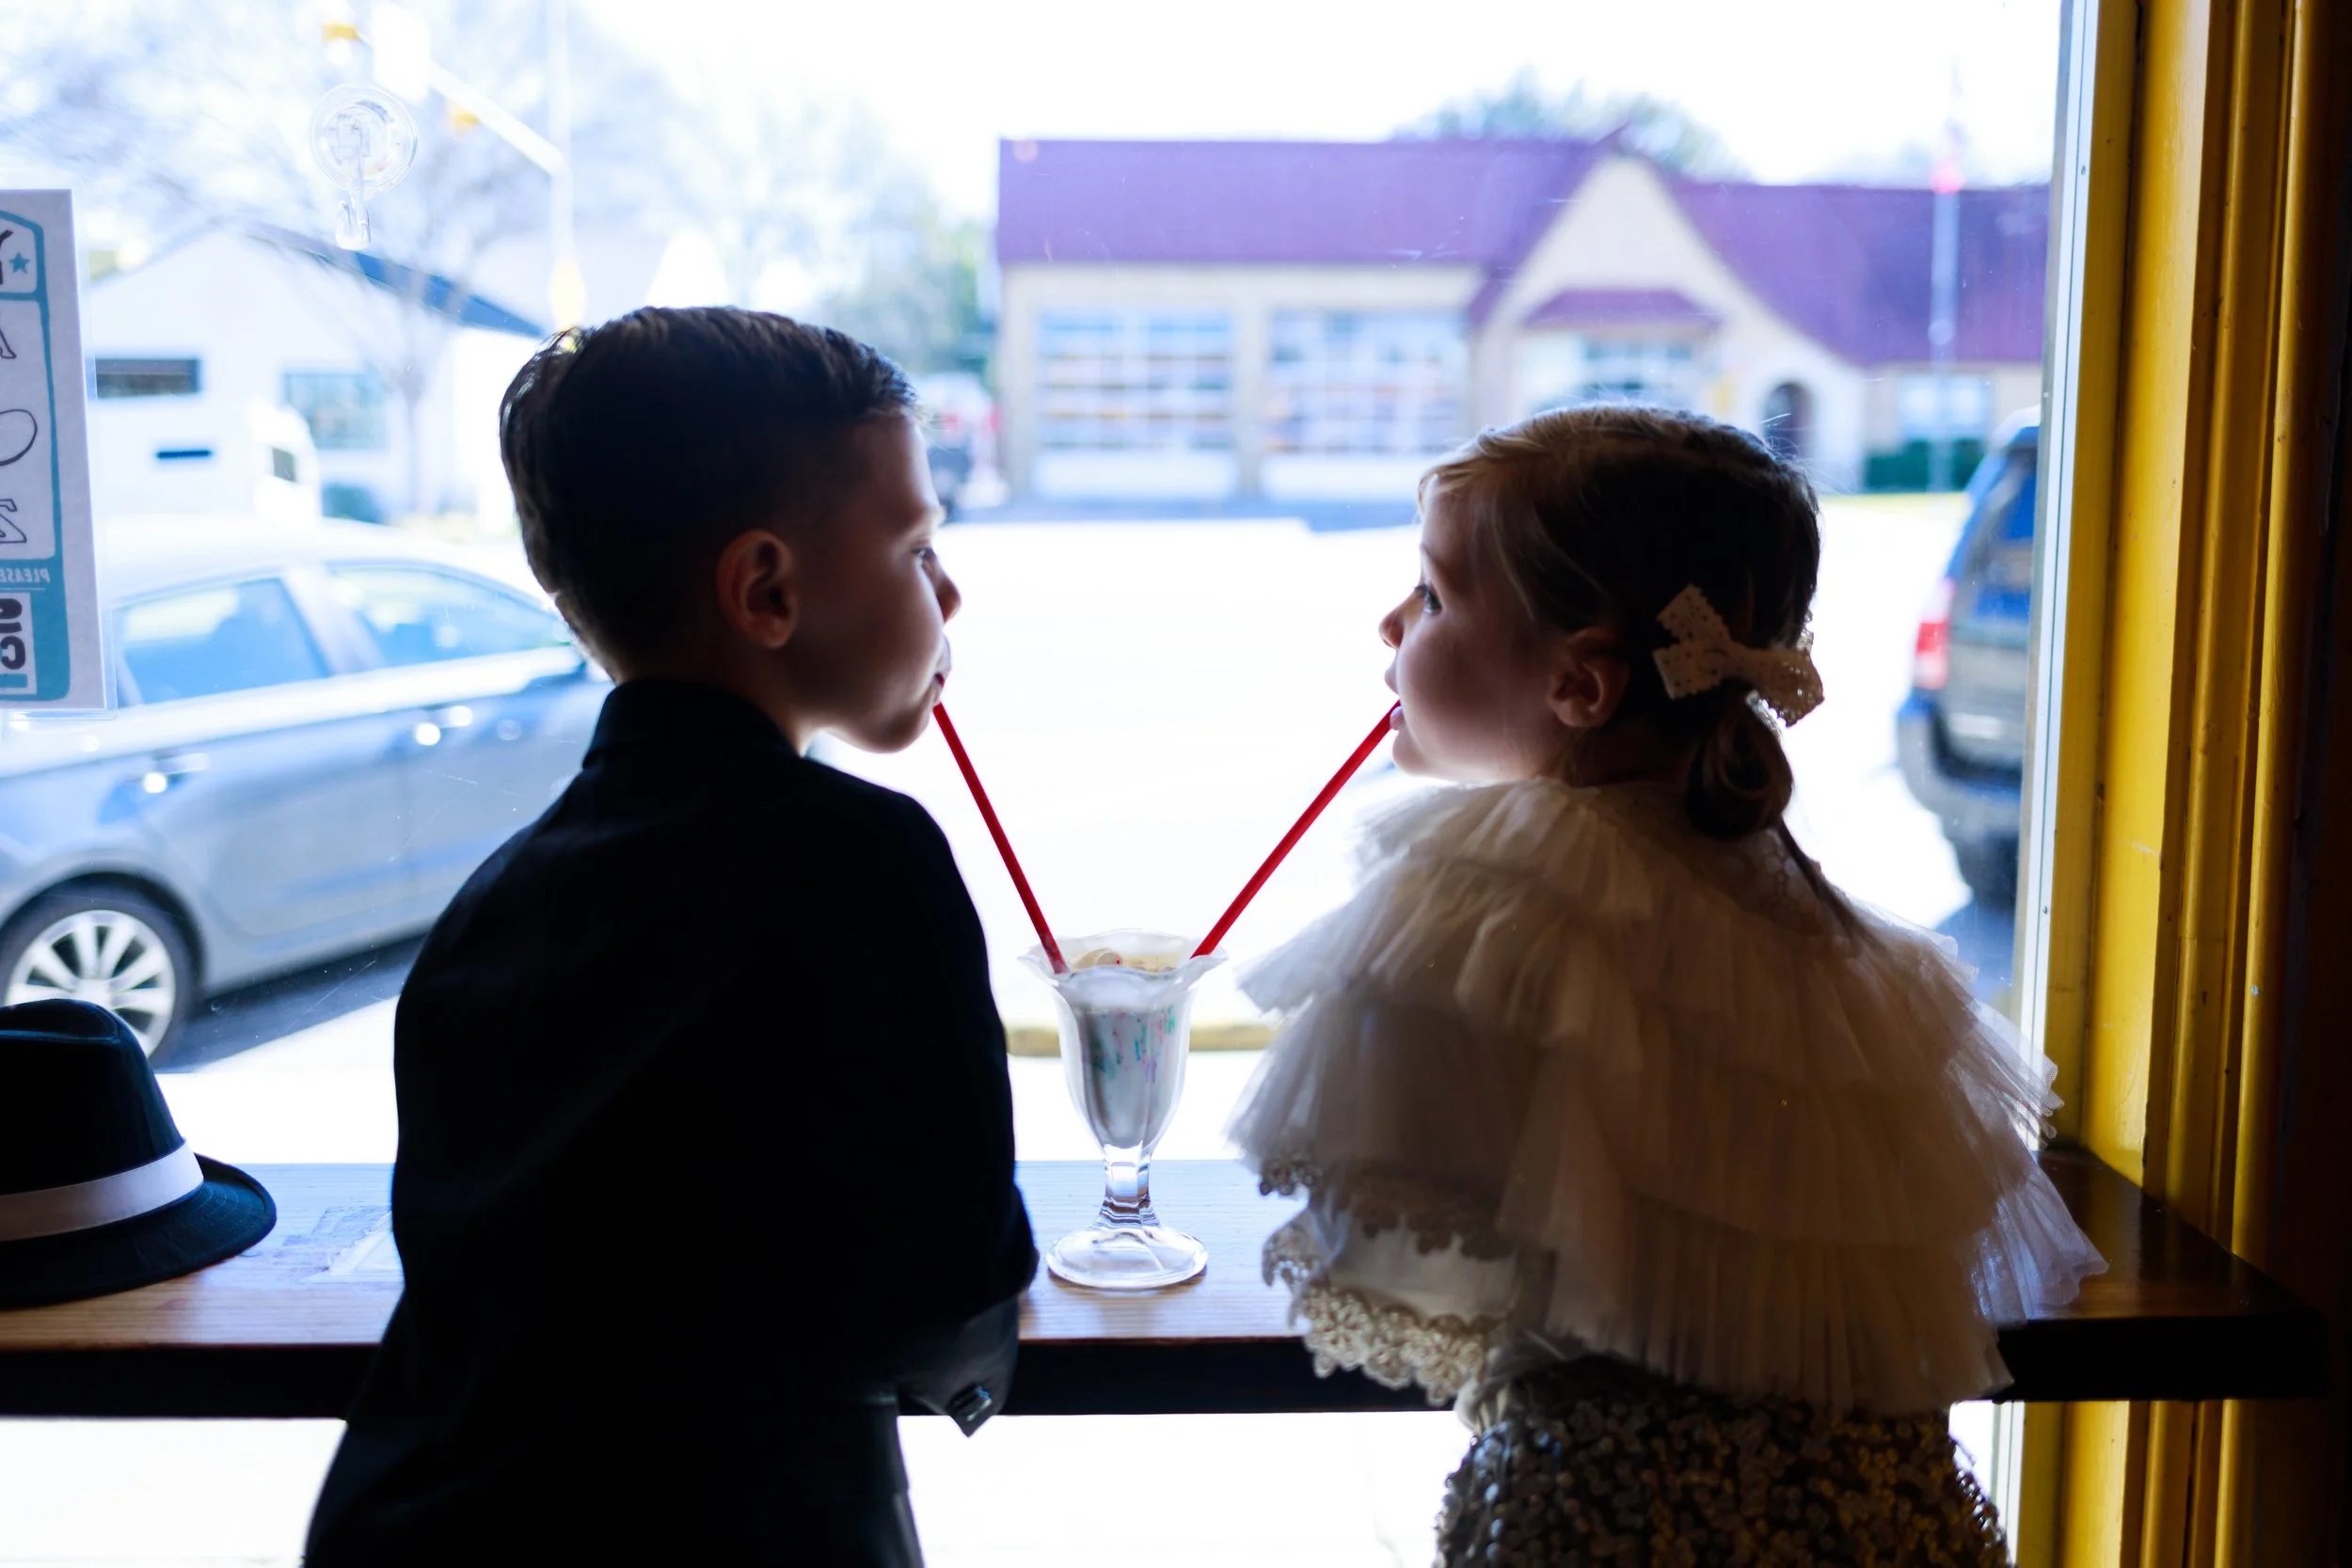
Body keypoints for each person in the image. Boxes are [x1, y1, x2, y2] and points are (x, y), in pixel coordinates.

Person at [1227, 405, 2103, 1565]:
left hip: (1604, 1528)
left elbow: (1409, 1261)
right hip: (1881, 1526)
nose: (1392, 622)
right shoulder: (1840, 945)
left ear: (1581, 684)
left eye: (1433, 595)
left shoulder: (1489, 906)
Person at [306, 308, 1035, 1567]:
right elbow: (951, 1300)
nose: (949, 589)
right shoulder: (865, 860)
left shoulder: (490, 908)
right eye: (918, 546)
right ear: (767, 589)